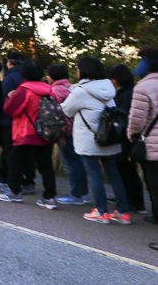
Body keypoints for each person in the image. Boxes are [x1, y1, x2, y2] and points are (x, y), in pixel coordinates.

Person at [62, 57, 130, 224]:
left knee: (94, 173)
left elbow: (67, 110)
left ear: (83, 71)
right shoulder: (108, 88)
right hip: (108, 138)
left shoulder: (80, 91)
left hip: (90, 139)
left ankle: (101, 212)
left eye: (78, 68)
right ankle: (123, 213)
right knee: (113, 173)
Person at [0, 59, 59, 209]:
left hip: (26, 133)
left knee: (14, 161)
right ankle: (49, 197)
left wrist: (10, 97)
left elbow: (11, 110)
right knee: (45, 165)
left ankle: (14, 192)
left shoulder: (24, 90)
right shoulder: (48, 89)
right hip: (45, 132)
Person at [48, 64, 89, 206]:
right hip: (77, 130)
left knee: (71, 163)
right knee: (78, 162)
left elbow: (58, 114)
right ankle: (84, 193)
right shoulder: (72, 88)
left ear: (52, 76)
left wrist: (60, 134)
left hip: (65, 132)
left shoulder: (54, 91)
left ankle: (76, 194)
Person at [127, 46, 158, 227]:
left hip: (153, 146)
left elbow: (136, 120)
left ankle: (156, 215)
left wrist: (132, 135)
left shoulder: (143, 87)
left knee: (154, 183)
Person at [110, 64, 146, 215]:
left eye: (111, 78)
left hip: (126, 137)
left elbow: (125, 116)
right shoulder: (127, 92)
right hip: (126, 136)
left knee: (126, 169)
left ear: (117, 79)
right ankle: (129, 198)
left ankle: (135, 202)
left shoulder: (127, 94)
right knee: (125, 169)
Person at [1, 52, 35, 194]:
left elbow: (7, 102)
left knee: (11, 153)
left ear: (9, 62)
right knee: (28, 154)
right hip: (30, 122)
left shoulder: (9, 78)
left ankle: (13, 183)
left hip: (11, 122)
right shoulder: (28, 77)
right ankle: (29, 181)